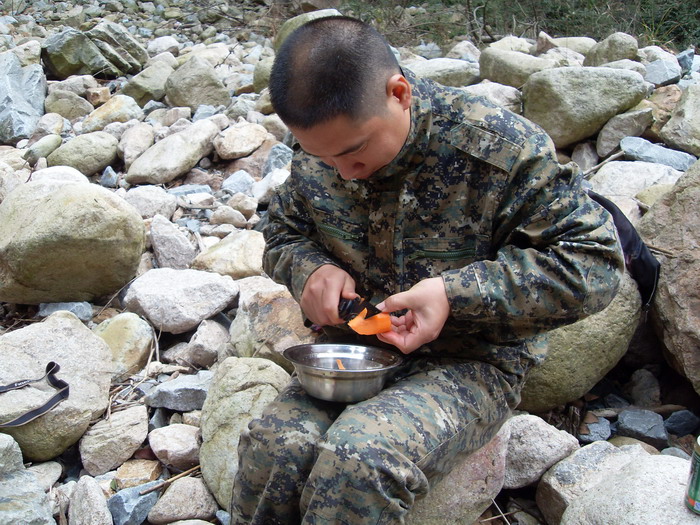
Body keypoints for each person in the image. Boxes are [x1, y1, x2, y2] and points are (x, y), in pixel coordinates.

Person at [230, 15, 624, 525]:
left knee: (360, 460)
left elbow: (594, 262)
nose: (342, 172)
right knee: (274, 445)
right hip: (354, 351)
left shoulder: (497, 148)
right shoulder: (325, 152)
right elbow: (282, 231)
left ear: (399, 93)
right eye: (321, 158)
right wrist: (309, 271)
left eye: (354, 153)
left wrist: (455, 296)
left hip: (469, 360)